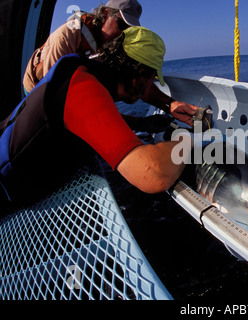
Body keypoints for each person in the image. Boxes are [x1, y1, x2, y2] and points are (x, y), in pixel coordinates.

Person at [0, 27, 194, 207]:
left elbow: (92, 118)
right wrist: (189, 142)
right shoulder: (82, 89)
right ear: (139, 76)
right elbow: (153, 175)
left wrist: (152, 116)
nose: (149, 87)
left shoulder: (79, 67)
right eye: (151, 79)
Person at [23, 0, 197, 129]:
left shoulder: (114, 44)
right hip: (39, 92)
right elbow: (55, 101)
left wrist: (169, 104)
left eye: (128, 29)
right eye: (121, 24)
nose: (122, 33)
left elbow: (138, 84)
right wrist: (139, 123)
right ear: (106, 14)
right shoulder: (67, 36)